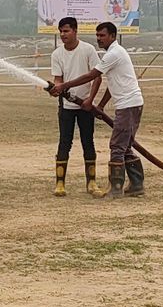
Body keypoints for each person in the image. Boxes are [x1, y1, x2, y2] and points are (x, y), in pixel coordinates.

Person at [50, 21, 144, 198]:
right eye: (97, 35)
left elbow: (92, 76)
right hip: (128, 104)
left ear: (113, 36)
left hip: (128, 105)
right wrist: (100, 106)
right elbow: (112, 85)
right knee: (125, 145)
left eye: (102, 35)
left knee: (117, 146)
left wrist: (64, 86)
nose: (99, 39)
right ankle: (136, 185)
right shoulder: (113, 53)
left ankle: (115, 189)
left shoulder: (113, 54)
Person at [50, 17, 101, 196]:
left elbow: (97, 77)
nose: (63, 34)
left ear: (75, 31)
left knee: (88, 142)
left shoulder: (88, 50)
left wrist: (90, 100)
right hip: (66, 107)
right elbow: (58, 79)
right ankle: (60, 184)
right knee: (65, 142)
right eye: (61, 31)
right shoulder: (57, 54)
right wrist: (56, 89)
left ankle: (92, 183)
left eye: (66, 31)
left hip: (85, 106)